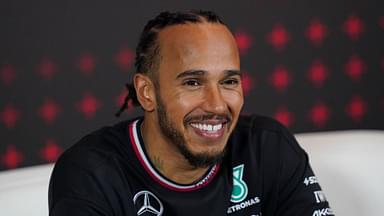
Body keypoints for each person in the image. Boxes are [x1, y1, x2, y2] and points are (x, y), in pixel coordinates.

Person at [48, 10, 333, 216]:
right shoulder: (89, 176)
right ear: (147, 92)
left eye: (229, 82)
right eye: (193, 82)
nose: (217, 105)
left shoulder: (268, 147)